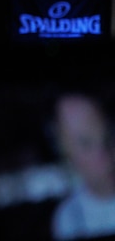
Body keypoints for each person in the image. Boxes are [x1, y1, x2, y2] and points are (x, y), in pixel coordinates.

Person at [50, 90, 115, 241]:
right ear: (68, 154)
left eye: (107, 137)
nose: (103, 153)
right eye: (86, 144)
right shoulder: (69, 218)